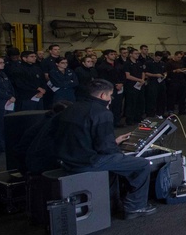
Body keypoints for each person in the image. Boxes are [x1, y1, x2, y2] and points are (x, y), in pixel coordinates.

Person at [51, 79, 156, 219]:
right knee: (141, 165)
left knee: (117, 163)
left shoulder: (71, 108)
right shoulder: (101, 113)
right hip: (88, 162)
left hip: (65, 159)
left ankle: (114, 202)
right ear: (102, 96)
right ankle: (135, 207)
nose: (111, 99)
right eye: (110, 95)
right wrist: (121, 153)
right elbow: (106, 147)